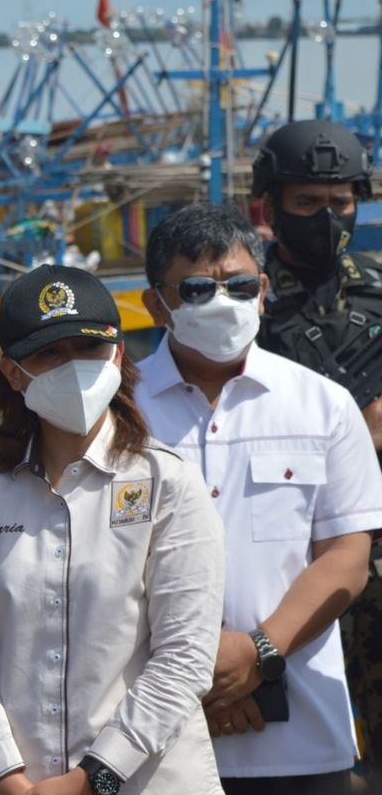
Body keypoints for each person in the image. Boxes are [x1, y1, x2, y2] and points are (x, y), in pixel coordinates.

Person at [0, 264, 227, 795]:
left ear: (116, 356)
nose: (74, 368)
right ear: (14, 373)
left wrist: (95, 779)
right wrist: (2, 775)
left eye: (88, 349)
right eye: (51, 353)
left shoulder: (168, 482)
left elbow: (184, 656)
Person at [135, 203, 382, 795]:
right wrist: (200, 671)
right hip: (148, 740)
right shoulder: (120, 412)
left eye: (240, 285)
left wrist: (258, 652)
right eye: (196, 289)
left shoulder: (323, 406)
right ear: (156, 303)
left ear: (263, 290)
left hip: (303, 743)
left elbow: (346, 555)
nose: (222, 302)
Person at [251, 119, 382, 787]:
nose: (328, 219)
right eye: (307, 204)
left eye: (340, 203)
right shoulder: (246, 300)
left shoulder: (380, 289)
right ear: (267, 205)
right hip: (289, 559)